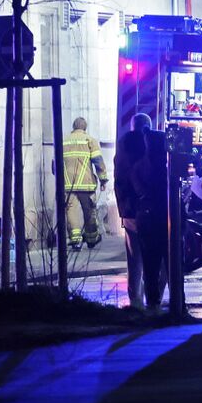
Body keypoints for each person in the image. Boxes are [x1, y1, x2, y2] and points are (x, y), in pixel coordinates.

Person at [114, 112, 169, 312]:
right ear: (148, 127)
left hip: (128, 210)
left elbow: (120, 180)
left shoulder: (122, 146)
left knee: (134, 258)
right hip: (150, 211)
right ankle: (154, 298)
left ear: (132, 126)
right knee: (156, 257)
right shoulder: (153, 146)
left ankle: (135, 300)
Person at [62, 116, 108, 248]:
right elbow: (98, 162)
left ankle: (75, 240)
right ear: (85, 128)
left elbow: (55, 164)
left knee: (71, 211)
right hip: (86, 185)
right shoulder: (90, 140)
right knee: (89, 212)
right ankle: (92, 239)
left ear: (73, 126)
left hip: (68, 185)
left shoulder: (64, 141)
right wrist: (103, 179)